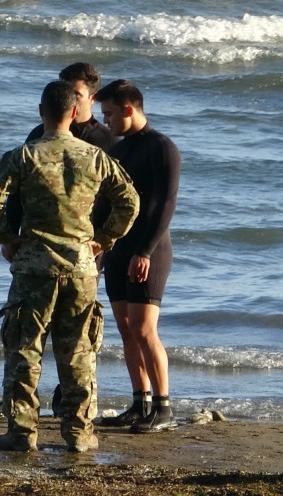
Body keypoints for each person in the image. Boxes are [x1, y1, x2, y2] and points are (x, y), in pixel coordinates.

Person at [0, 80, 139, 452]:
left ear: (41, 112)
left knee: (24, 351)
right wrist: (104, 239)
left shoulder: (23, 155)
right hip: (81, 267)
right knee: (78, 353)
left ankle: (22, 433)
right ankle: (79, 434)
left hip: (34, 267)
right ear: (72, 112)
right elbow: (129, 202)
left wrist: (6, 236)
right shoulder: (97, 158)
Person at [93, 79, 182, 433]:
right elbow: (105, 204)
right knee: (126, 330)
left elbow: (165, 204)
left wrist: (144, 251)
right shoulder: (117, 150)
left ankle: (163, 408)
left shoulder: (162, 147)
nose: (107, 121)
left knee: (145, 330)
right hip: (117, 250)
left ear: (130, 109)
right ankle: (139, 402)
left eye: (111, 113)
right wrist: (98, 248)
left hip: (150, 250)